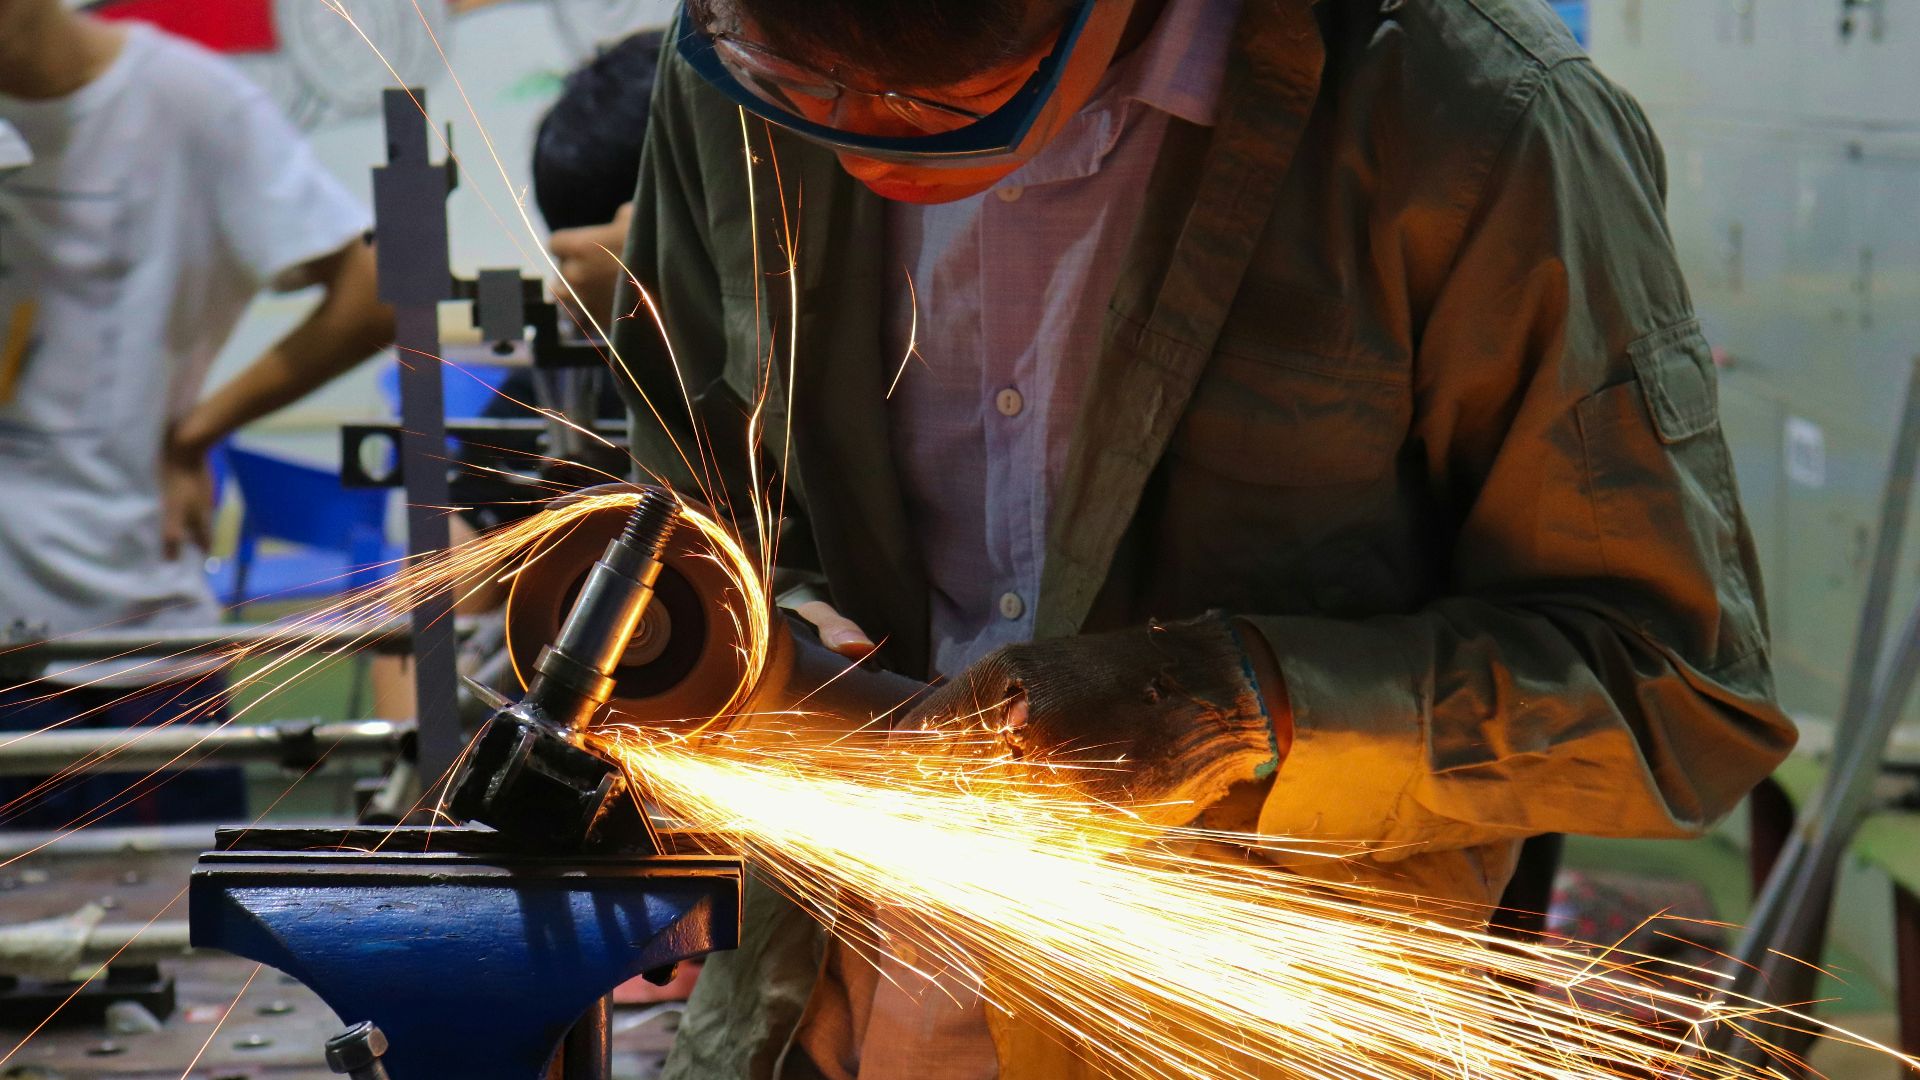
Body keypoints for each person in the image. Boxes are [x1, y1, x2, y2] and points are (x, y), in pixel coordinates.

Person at [614, 0, 1798, 1077]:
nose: (864, 145)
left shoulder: (1475, 129)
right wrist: (742, 646)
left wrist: (1245, 705)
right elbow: (690, 510)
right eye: (807, 91)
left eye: (940, 106)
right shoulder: (737, 61)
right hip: (804, 1020)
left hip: (1227, 1040)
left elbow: (1671, 696)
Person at [0, 0, 393, 827]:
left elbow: (373, 293)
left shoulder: (184, 103)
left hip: (133, 648)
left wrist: (195, 431)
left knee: (160, 935)